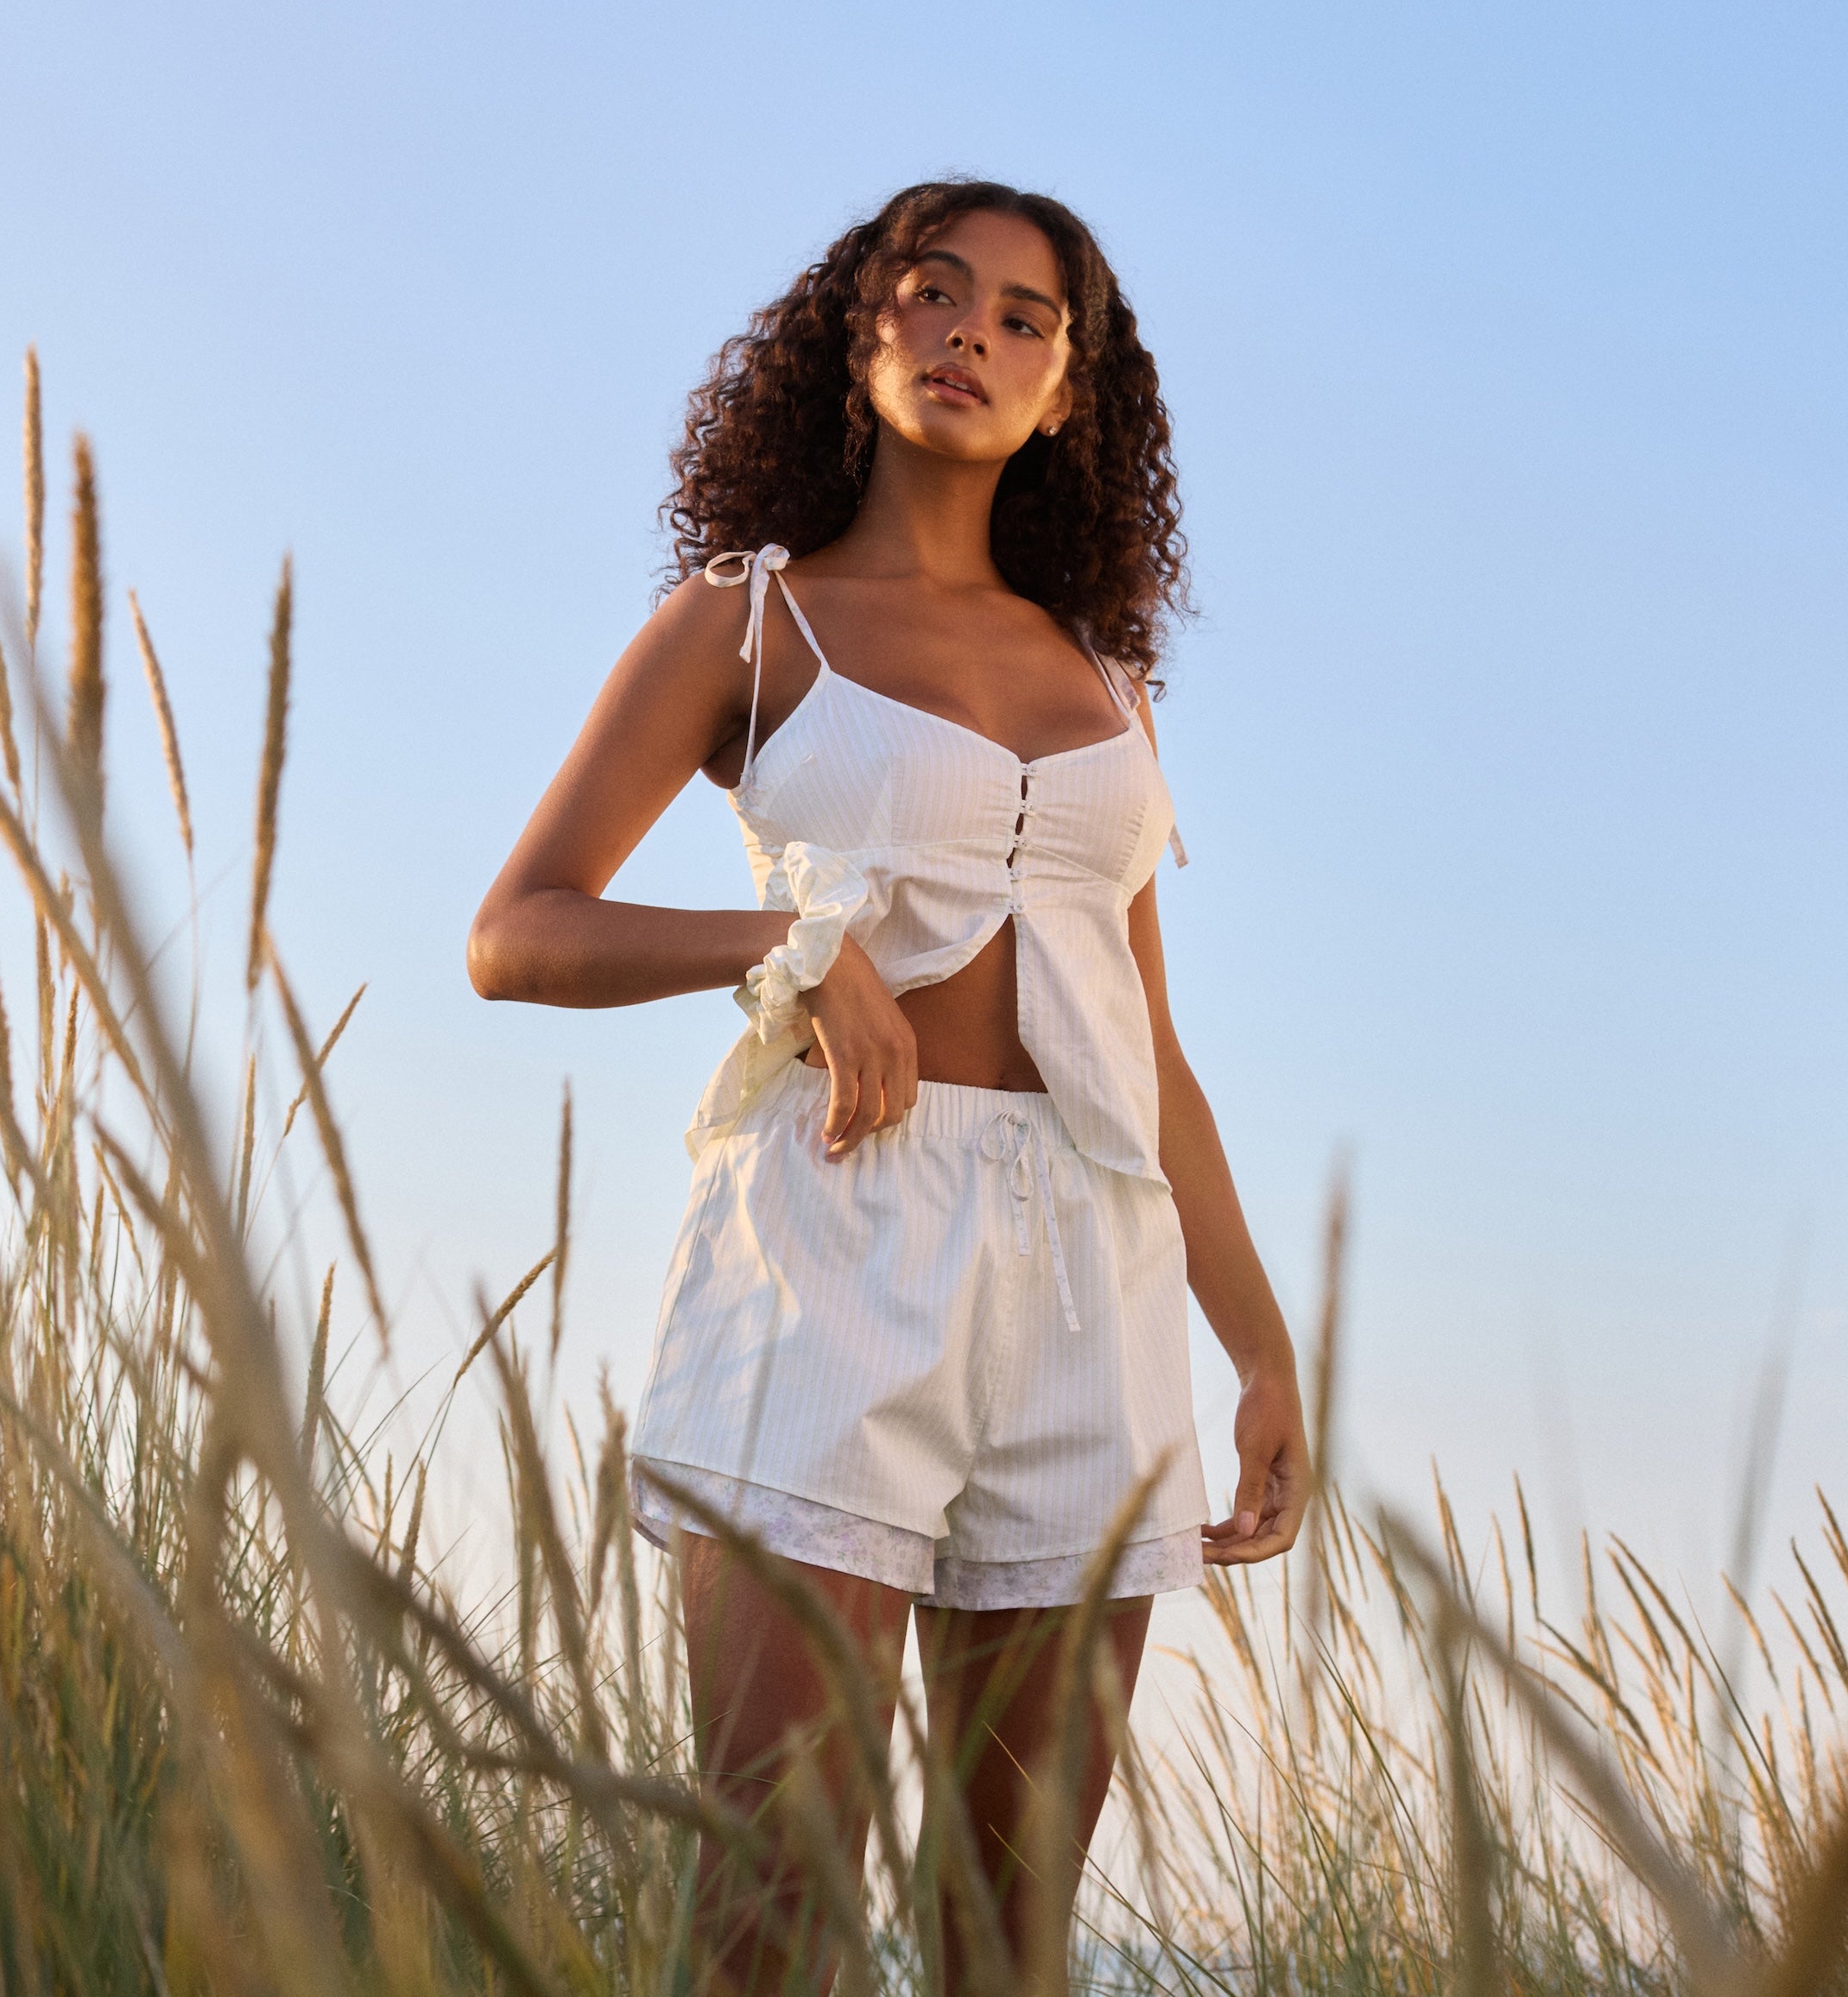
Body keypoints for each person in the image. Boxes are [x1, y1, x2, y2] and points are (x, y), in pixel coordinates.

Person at [465, 181, 1307, 1990]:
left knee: (1005, 1932)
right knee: (771, 1897)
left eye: (1021, 318)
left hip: (1090, 1262)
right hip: (831, 1234)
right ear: (856, 331)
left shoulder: (1110, 681)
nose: (970, 338)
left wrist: (1260, 1344)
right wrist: (783, 954)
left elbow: (1147, 1050)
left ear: (1069, 390)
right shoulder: (748, 622)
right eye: (932, 296)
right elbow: (517, 930)